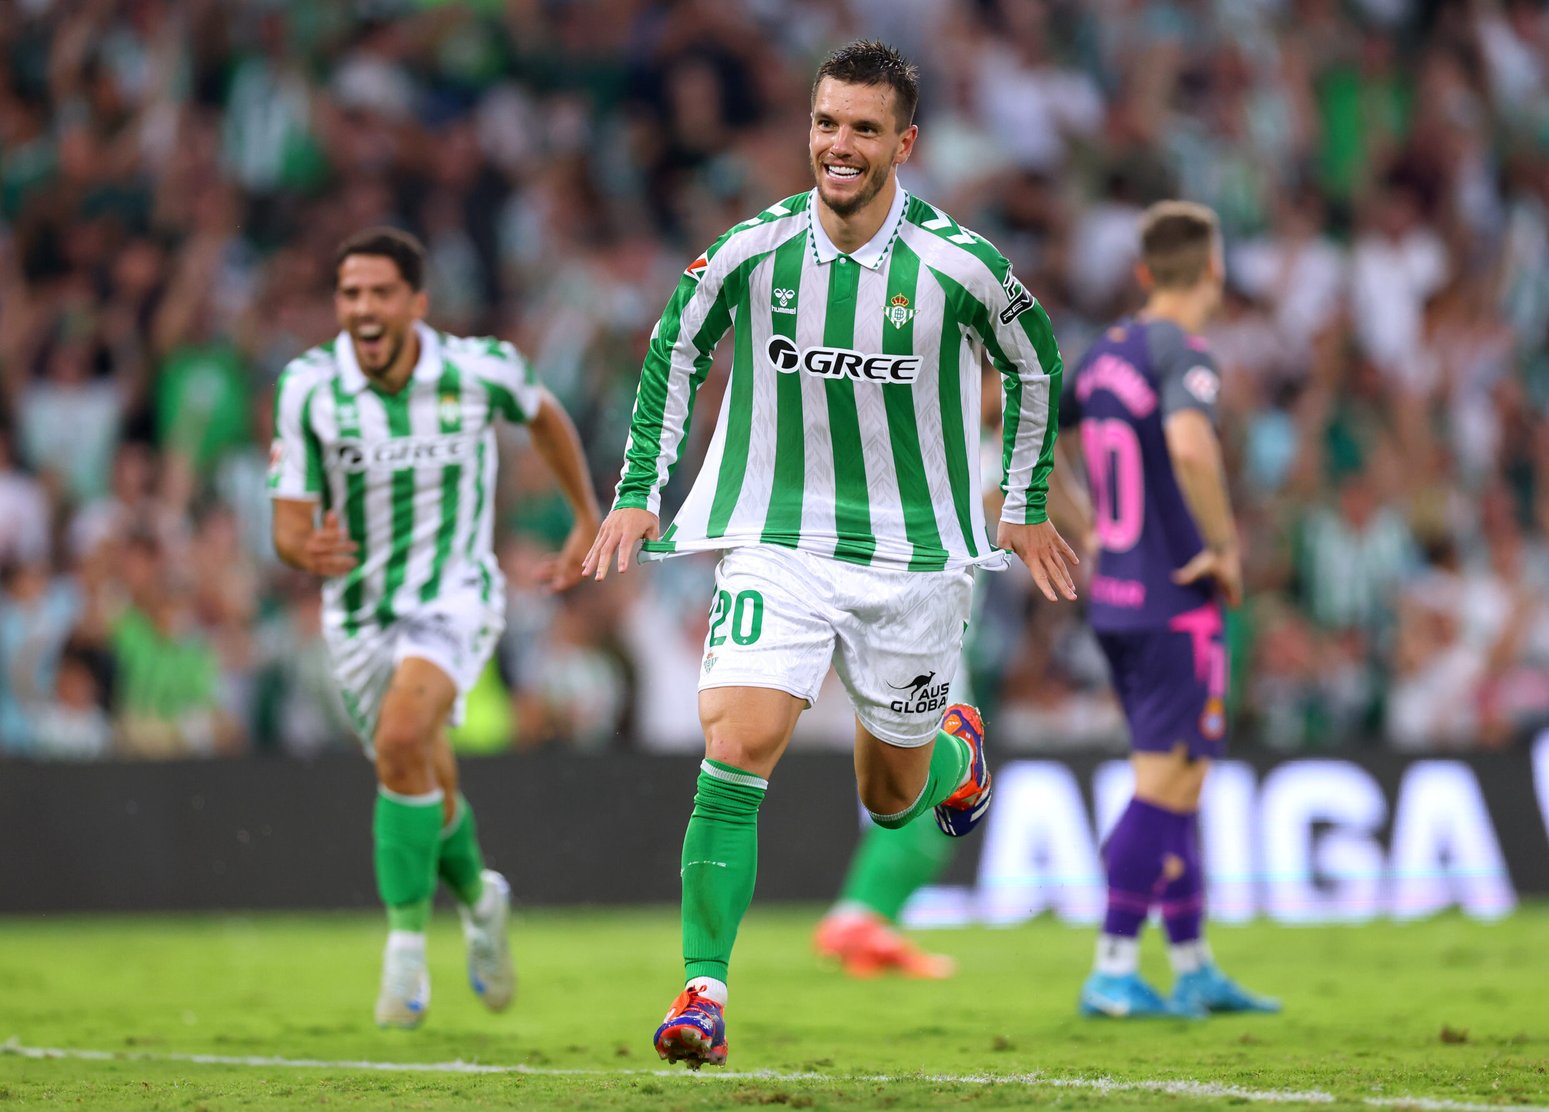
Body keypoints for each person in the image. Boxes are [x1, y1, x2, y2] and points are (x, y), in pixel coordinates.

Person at [584, 39, 1078, 1068]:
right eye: (824, 123)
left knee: (894, 791)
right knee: (737, 738)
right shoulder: (751, 249)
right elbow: (677, 341)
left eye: (861, 128)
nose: (838, 145)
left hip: (913, 561)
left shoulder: (959, 263)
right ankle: (703, 990)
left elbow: (1035, 367)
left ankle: (953, 751)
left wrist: (1026, 502)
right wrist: (640, 491)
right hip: (777, 535)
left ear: (904, 141)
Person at [267, 228, 600, 1029]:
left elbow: (546, 416)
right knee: (421, 771)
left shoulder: (478, 369)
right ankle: (482, 902)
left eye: (380, 292)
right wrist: (299, 546)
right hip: (356, 612)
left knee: (404, 735)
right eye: (350, 294)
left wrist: (586, 517)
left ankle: (406, 951)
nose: (363, 308)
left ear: (416, 303)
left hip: (455, 593)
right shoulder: (310, 386)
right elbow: (285, 522)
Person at [1054, 201, 1279, 1019]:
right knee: (1166, 785)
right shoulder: (1183, 353)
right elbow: (1190, 445)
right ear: (1213, 271)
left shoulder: (1102, 354)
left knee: (1180, 783)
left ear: (1146, 273)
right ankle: (1114, 967)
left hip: (1117, 601)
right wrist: (1223, 545)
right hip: (1176, 600)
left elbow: (1033, 450)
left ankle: (1191, 963)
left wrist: (1096, 536)